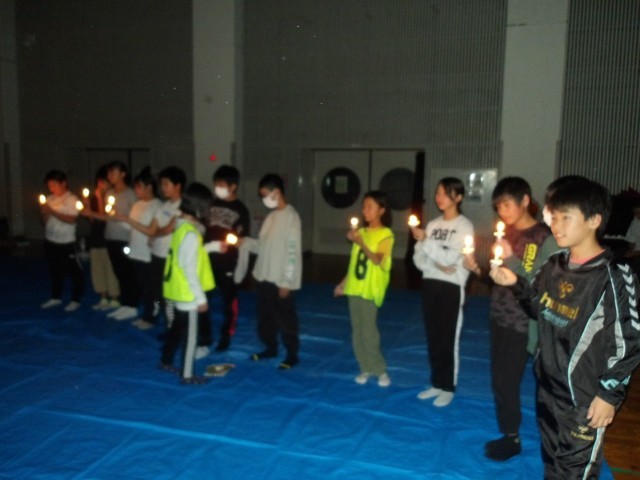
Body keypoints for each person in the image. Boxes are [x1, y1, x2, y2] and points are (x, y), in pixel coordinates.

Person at [490, 178, 640, 479]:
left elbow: (628, 341)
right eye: (554, 217)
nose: (556, 226)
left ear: (594, 220)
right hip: (548, 387)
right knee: (552, 461)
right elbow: (537, 308)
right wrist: (516, 283)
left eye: (565, 217)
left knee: (576, 471)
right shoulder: (554, 264)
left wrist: (609, 394)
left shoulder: (612, 275)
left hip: (583, 398)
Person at [467, 177, 559, 461]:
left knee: (510, 380)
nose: (502, 211)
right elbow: (499, 278)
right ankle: (510, 431)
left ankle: (514, 438)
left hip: (523, 322)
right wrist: (478, 270)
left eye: (507, 204)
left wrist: (511, 258)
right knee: (500, 379)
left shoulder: (542, 237)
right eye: (498, 207)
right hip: (499, 315)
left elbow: (537, 284)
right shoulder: (506, 233)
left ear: (525, 201)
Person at [411, 177, 474, 407]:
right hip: (430, 283)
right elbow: (419, 259)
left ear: (458, 197)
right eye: (437, 192)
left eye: (445, 193)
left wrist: (428, 244)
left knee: (448, 338)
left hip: (452, 287)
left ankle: (448, 386)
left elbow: (451, 259)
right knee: (433, 337)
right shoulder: (432, 225)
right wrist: (436, 263)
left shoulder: (464, 226)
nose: (439, 197)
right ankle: (436, 383)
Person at [242, 174, 302, 370]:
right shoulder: (271, 217)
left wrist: (287, 281)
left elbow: (292, 251)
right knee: (265, 317)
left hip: (280, 279)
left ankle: (292, 354)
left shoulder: (291, 217)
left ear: (276, 192)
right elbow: (262, 245)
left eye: (265, 194)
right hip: (264, 276)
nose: (264, 199)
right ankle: (270, 347)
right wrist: (246, 243)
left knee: (285, 318)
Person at [334, 191, 394, 387]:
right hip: (355, 288)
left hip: (370, 289)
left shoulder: (385, 234)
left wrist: (361, 242)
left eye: (370, 207)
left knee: (369, 332)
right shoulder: (361, 232)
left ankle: (380, 369)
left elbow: (377, 260)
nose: (365, 211)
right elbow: (354, 263)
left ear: (381, 210)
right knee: (357, 331)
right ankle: (365, 367)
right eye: (364, 207)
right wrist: (343, 283)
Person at [160, 182, 216, 384]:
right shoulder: (191, 234)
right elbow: (189, 268)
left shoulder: (181, 227)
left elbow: (187, 257)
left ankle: (166, 360)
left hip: (177, 290)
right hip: (187, 294)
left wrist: (214, 246)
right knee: (191, 336)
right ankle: (187, 375)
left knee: (176, 328)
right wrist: (200, 298)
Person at [203, 165, 251, 353]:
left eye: (222, 185)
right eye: (216, 185)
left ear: (233, 186)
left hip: (227, 261)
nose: (218, 189)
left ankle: (226, 334)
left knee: (228, 300)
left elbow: (242, 238)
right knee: (203, 298)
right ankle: (205, 335)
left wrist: (235, 241)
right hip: (207, 258)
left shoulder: (241, 210)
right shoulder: (211, 205)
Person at [113, 167, 162, 328]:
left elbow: (150, 230)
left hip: (149, 253)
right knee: (142, 286)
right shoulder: (137, 205)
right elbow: (132, 228)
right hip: (136, 251)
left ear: (149, 187)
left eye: (139, 186)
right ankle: (146, 314)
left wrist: (128, 220)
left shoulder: (157, 206)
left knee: (151, 287)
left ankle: (151, 317)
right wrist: (120, 219)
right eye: (135, 187)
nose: (136, 190)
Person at [39, 170, 84, 312]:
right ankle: (56, 297)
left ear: (63, 183)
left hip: (67, 241)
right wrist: (44, 213)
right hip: (51, 240)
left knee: (74, 271)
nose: (51, 188)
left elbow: (72, 220)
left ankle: (75, 299)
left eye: (54, 184)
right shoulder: (50, 199)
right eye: (49, 185)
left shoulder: (72, 199)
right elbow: (44, 222)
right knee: (54, 270)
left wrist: (52, 211)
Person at [148, 166, 186, 329]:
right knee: (157, 289)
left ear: (178, 185)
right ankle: (163, 318)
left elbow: (168, 229)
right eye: (161, 184)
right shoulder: (163, 206)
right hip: (157, 254)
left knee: (170, 294)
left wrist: (154, 234)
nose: (162, 188)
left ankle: (173, 326)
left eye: (166, 184)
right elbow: (154, 226)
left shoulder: (183, 206)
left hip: (171, 257)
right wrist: (153, 233)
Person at [103, 161, 139, 321]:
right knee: (118, 271)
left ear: (123, 174)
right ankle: (125, 304)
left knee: (128, 272)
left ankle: (132, 305)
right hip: (111, 236)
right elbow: (107, 215)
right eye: (109, 173)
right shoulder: (109, 193)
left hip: (126, 239)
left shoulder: (130, 194)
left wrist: (121, 216)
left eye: (114, 172)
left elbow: (135, 218)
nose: (110, 176)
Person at [85, 166, 120, 310]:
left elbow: (105, 217)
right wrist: (88, 207)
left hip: (108, 237)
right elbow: (94, 221)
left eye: (104, 182)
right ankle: (103, 296)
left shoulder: (112, 197)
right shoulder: (94, 197)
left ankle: (115, 297)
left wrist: (100, 199)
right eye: (99, 182)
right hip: (96, 237)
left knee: (110, 268)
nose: (101, 185)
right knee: (97, 269)